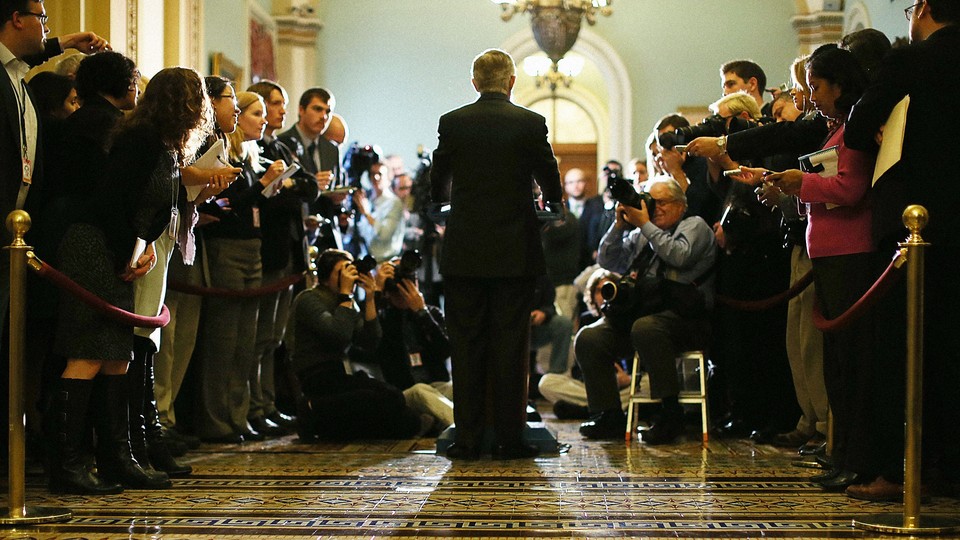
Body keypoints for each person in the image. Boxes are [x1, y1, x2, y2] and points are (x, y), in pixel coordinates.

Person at [47, 67, 210, 494]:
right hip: (94, 246)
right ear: (184, 104)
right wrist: (128, 252)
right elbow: (110, 201)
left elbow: (151, 207)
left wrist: (145, 247)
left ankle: (118, 458)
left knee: (118, 354)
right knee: (90, 352)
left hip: (121, 246)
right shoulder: (139, 140)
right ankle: (66, 466)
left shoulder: (162, 143)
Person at [733, 44, 876, 495]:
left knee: (852, 364)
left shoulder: (854, 128)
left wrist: (802, 182)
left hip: (851, 252)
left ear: (840, 84)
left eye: (815, 87)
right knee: (834, 364)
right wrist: (791, 190)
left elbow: (851, 188)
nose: (810, 96)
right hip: (827, 253)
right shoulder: (835, 128)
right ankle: (843, 453)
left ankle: (859, 458)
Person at [844, 0, 960, 501]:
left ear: (925, 9)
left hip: (916, 224)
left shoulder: (911, 59)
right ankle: (948, 466)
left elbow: (855, 127)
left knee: (897, 348)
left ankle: (888, 469)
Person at [429, 48, 562, 459]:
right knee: (510, 346)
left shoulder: (453, 122)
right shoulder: (530, 123)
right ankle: (508, 438)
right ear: (511, 82)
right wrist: (552, 203)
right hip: (513, 252)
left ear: (474, 83)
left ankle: (467, 439)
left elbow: (438, 176)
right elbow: (548, 173)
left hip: (465, 252)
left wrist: (439, 205)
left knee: (466, 345)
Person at [576, 178, 716, 444]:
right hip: (642, 318)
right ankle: (609, 415)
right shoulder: (642, 233)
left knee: (647, 327)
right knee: (589, 338)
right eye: (652, 202)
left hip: (687, 321)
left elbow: (679, 255)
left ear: (681, 205)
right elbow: (608, 261)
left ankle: (670, 413)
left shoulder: (695, 226)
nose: (656, 208)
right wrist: (618, 227)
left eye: (662, 202)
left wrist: (645, 224)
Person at [196, 88, 285, 444]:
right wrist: (262, 185)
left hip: (253, 247)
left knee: (246, 340)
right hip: (227, 248)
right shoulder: (220, 153)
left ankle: (239, 414)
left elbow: (248, 203)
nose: (263, 119)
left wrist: (266, 187)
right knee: (224, 337)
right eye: (254, 113)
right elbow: (225, 205)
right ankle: (216, 418)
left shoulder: (250, 155)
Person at [289, 249, 433, 441]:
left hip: (340, 376)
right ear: (325, 277)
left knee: (397, 402)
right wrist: (345, 296)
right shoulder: (309, 298)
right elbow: (337, 334)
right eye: (342, 272)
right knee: (384, 403)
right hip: (316, 378)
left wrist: (371, 297)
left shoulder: (348, 302)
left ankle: (325, 425)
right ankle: (312, 407)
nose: (349, 277)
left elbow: (370, 342)